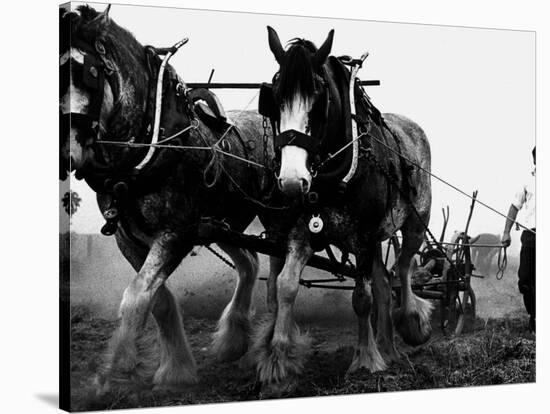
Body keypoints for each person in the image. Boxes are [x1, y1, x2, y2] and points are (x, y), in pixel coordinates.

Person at [501, 146, 536, 332]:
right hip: (531, 236)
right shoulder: (526, 182)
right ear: (535, 160)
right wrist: (506, 232)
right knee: (525, 280)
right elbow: (514, 207)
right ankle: (535, 317)